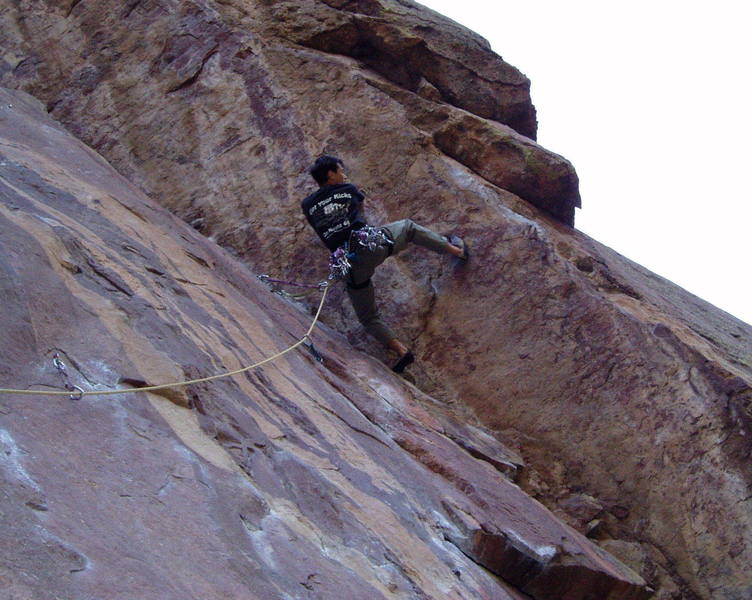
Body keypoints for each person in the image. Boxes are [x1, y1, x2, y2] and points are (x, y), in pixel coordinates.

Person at [301, 155, 467, 372]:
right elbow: (359, 208)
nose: (345, 175)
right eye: (341, 171)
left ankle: (401, 351)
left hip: (348, 265)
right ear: (330, 174)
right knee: (408, 228)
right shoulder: (348, 189)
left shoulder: (307, 204)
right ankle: (457, 250)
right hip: (371, 245)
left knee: (368, 316)